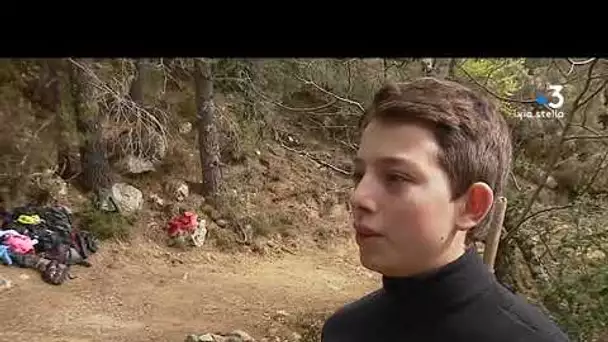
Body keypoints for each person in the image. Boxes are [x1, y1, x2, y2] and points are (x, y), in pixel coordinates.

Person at [320, 77, 571, 342]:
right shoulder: (344, 330)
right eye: (359, 175)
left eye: (395, 177)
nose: (359, 197)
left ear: (472, 206)